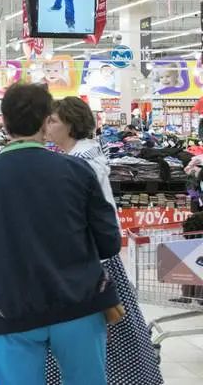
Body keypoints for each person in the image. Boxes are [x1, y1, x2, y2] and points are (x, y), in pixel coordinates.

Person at [0, 83, 122, 385]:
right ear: (46, 121)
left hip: (9, 305)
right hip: (78, 303)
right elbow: (109, 241)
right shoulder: (77, 171)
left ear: (4, 122)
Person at [46, 97, 162, 385]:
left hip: (89, 262)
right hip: (94, 258)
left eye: (53, 120)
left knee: (98, 335)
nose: (47, 125)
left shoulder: (80, 163)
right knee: (108, 334)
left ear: (70, 125)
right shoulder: (84, 156)